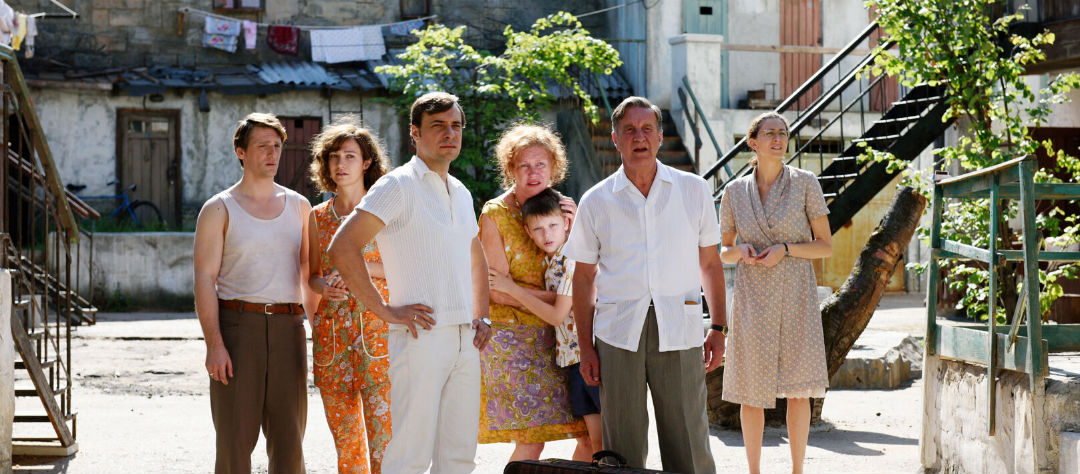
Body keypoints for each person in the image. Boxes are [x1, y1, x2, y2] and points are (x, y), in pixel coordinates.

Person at [327, 91, 493, 474]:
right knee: (409, 457)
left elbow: (476, 257)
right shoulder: (397, 185)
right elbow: (343, 247)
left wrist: (482, 315)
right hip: (420, 337)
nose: (449, 133)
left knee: (459, 458)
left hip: (466, 337)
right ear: (414, 132)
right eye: (438, 126)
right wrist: (385, 311)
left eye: (456, 125)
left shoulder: (461, 191)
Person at [563, 96, 726, 474]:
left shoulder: (693, 189)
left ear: (660, 136)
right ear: (615, 139)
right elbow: (583, 277)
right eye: (629, 130)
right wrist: (585, 347)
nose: (639, 137)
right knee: (621, 446)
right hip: (617, 334)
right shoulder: (596, 200)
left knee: (688, 439)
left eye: (647, 129)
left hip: (680, 327)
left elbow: (709, 263)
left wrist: (718, 327)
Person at [192, 113, 310, 474]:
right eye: (262, 146)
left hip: (289, 329)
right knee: (233, 445)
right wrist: (214, 344)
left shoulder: (300, 206)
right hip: (237, 329)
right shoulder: (218, 208)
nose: (272, 154)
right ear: (240, 151)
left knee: (290, 447)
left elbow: (311, 276)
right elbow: (204, 279)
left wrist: (319, 335)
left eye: (277, 146)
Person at [718, 112, 832, 474]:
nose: (778, 138)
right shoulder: (734, 192)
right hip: (753, 298)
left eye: (783, 132)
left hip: (796, 294)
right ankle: (754, 471)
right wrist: (741, 251)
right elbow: (724, 251)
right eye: (770, 133)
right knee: (750, 391)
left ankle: (797, 470)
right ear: (753, 142)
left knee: (799, 390)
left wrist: (786, 248)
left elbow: (825, 245)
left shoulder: (805, 183)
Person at [477, 124, 589, 462]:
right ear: (510, 169)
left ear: (554, 166)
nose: (533, 172)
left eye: (541, 164)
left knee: (588, 435)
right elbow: (497, 290)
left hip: (564, 341)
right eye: (524, 165)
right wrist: (563, 302)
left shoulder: (565, 209)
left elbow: (586, 270)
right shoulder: (495, 214)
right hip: (515, 340)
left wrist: (576, 228)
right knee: (531, 443)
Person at [488, 187, 603, 459]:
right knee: (591, 440)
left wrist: (511, 288)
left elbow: (556, 315)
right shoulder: (551, 264)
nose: (547, 235)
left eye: (553, 226)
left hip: (592, 356)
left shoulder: (572, 259)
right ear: (527, 232)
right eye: (538, 229)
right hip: (573, 360)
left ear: (566, 224)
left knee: (601, 441)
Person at [305, 118, 391, 474]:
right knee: (347, 447)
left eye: (350, 156)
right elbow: (312, 276)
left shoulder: (384, 212)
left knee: (386, 446)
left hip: (379, 338)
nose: (340, 164)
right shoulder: (316, 217)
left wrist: (359, 268)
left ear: (367, 162)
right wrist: (323, 286)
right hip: (333, 340)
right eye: (334, 156)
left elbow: (406, 269)